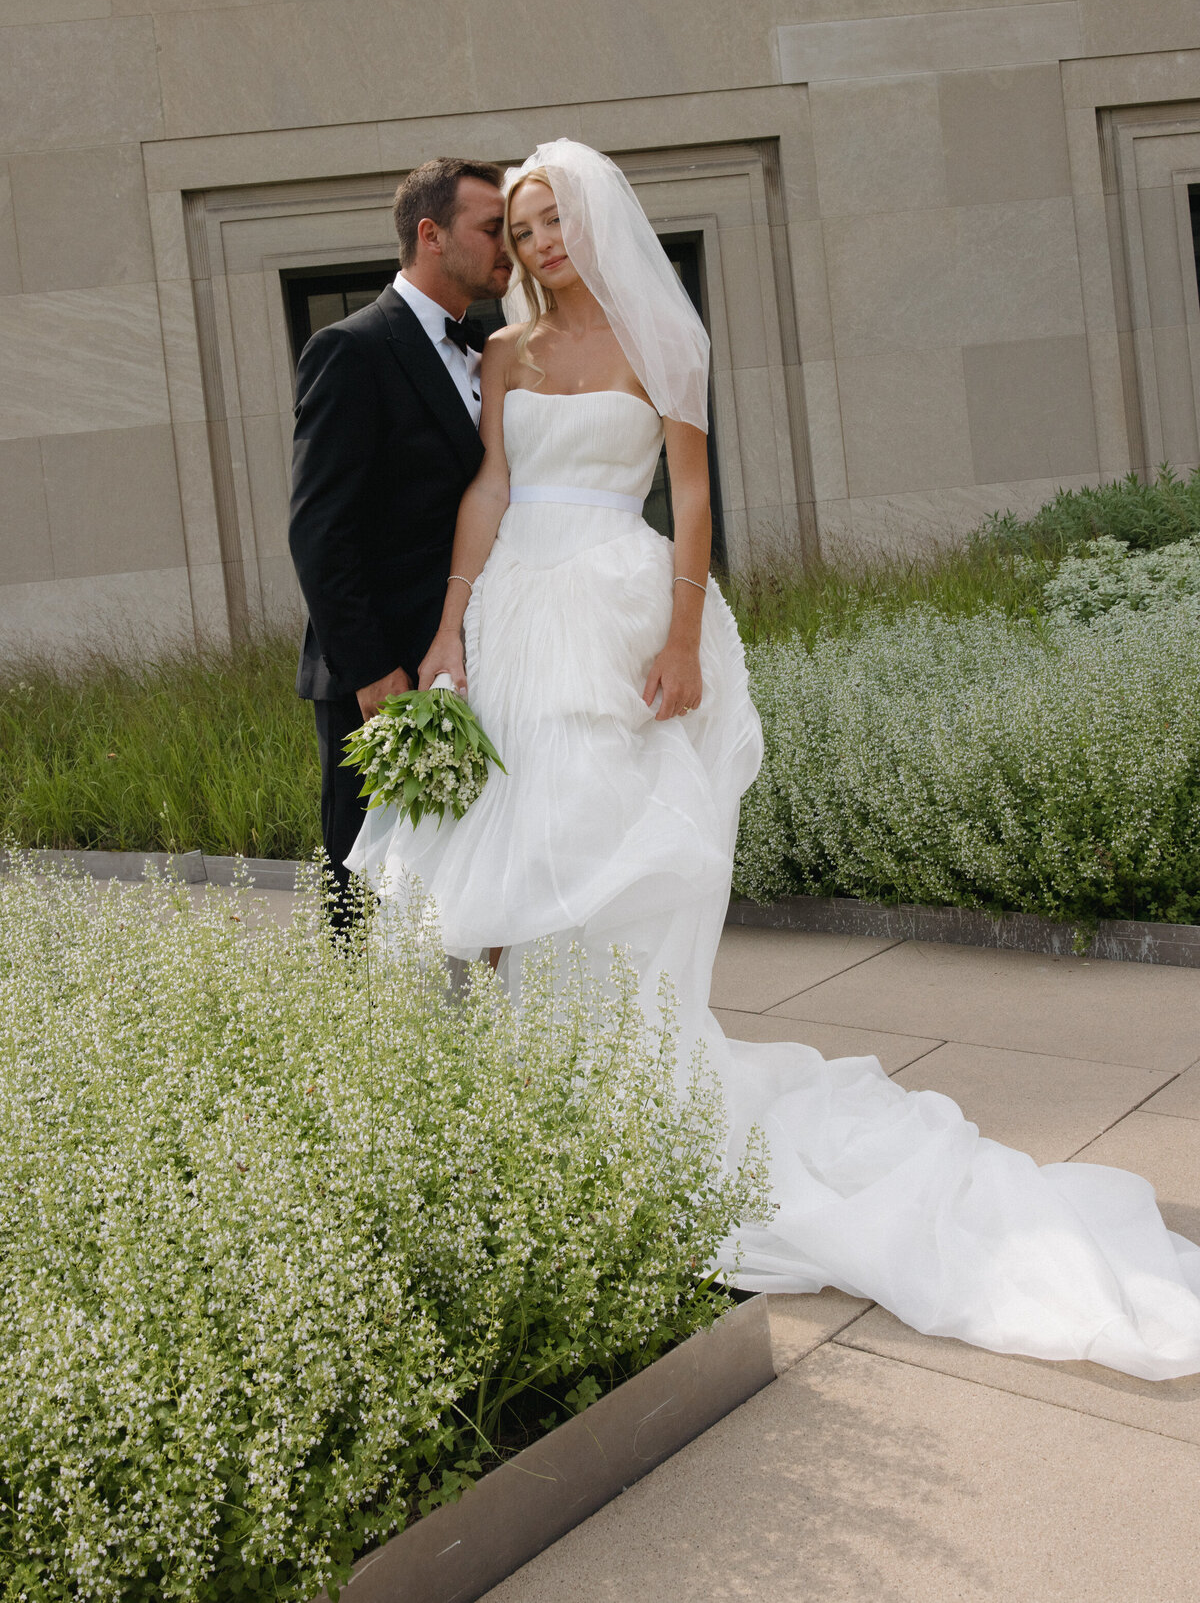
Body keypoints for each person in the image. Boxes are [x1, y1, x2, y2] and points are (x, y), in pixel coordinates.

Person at [346, 139, 1200, 1382]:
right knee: (525, 877)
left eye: (555, 221)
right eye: (523, 229)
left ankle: (640, 1107)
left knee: (615, 859)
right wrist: (443, 629)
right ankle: (567, 1123)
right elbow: (487, 489)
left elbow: (690, 499)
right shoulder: (505, 355)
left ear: (597, 222)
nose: (540, 245)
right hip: (516, 620)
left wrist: (686, 632)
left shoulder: (666, 342)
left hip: (621, 617)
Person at [288, 157, 511, 923]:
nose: (507, 246)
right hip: (376, 673)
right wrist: (374, 672)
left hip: (466, 653)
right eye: (492, 229)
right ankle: (355, 1032)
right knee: (365, 877)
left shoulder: (492, 354)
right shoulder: (351, 349)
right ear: (431, 235)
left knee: (455, 876)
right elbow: (319, 528)